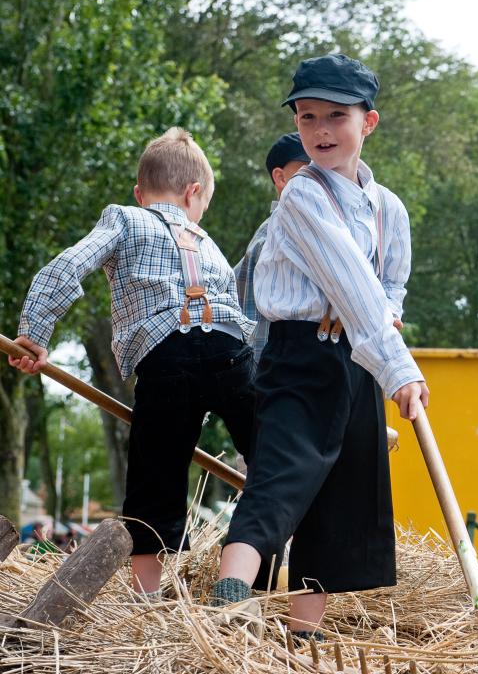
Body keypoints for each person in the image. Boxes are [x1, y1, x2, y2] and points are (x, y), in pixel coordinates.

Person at [212, 54, 430, 639]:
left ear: (370, 122)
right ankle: (223, 613)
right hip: (300, 356)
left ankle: (304, 635)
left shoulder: (389, 208)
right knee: (282, 475)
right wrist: (399, 368)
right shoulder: (303, 195)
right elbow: (352, 284)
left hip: (356, 358)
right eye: (307, 118)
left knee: (342, 497)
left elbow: (388, 287)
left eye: (337, 116)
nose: (321, 131)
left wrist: (387, 328)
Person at [9, 127, 256, 597]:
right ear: (194, 193)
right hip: (229, 351)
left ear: (140, 193)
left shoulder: (124, 218)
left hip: (167, 358)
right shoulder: (211, 246)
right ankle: (245, 570)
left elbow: (66, 266)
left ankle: (148, 599)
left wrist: (35, 332)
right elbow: (242, 313)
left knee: (155, 476)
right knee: (270, 463)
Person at [234, 132, 309, 363]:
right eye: (309, 169)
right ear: (281, 177)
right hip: (276, 372)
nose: (322, 178)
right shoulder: (271, 240)